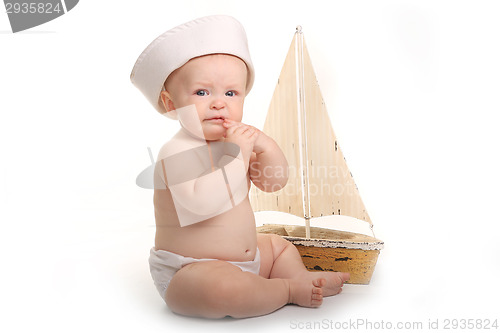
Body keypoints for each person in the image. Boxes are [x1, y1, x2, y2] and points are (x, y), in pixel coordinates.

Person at [130, 15, 349, 319]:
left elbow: (273, 182)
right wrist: (239, 156)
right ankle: (286, 290)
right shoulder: (176, 152)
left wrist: (265, 146)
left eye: (231, 93)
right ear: (171, 103)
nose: (219, 103)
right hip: (191, 270)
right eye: (202, 92)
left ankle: (297, 277)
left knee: (278, 246)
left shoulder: (237, 142)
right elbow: (202, 204)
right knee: (222, 291)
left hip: (250, 259)